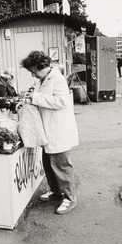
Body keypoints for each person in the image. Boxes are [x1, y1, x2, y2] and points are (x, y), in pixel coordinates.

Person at [21, 50, 80, 215]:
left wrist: (35, 97)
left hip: (57, 131)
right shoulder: (44, 79)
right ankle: (56, 191)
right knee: (48, 165)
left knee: (61, 166)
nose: (33, 74)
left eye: (33, 71)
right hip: (47, 131)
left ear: (41, 66)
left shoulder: (57, 79)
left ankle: (69, 198)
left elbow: (61, 102)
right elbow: (42, 99)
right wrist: (32, 98)